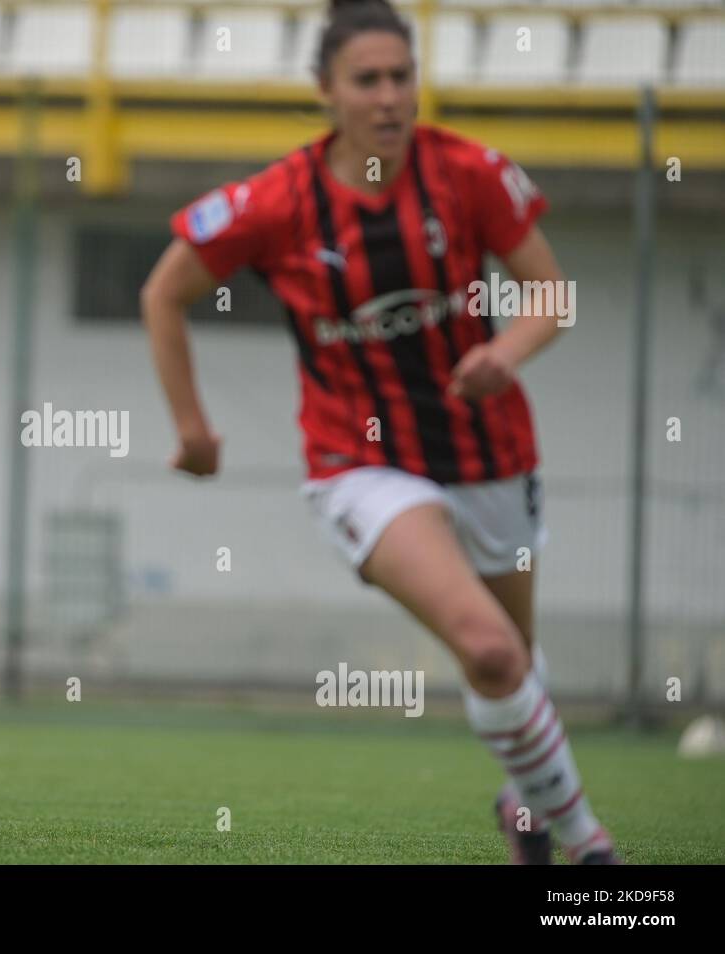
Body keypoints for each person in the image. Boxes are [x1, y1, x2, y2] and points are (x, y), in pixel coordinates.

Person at [140, 0, 617, 863]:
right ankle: (591, 855)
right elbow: (162, 292)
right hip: (359, 461)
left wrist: (505, 353)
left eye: (403, 77)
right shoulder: (276, 200)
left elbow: (552, 293)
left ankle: (526, 805)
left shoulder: (468, 174)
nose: (390, 97)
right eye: (368, 80)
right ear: (326, 90)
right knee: (489, 650)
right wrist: (194, 429)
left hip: (492, 454)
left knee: (513, 664)